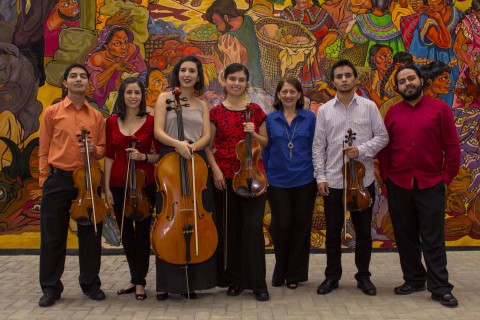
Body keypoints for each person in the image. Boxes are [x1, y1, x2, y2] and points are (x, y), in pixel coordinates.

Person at [378, 65, 460, 307]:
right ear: (397, 88)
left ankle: (440, 287)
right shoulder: (392, 113)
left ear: (420, 80)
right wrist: (387, 181)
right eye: (402, 81)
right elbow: (385, 151)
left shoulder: (440, 110)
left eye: (411, 78)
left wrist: (445, 179)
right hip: (399, 184)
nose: (407, 84)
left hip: (431, 183)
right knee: (404, 237)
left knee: (433, 238)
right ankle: (414, 279)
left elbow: (453, 149)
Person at [312, 59, 388, 296]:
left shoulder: (369, 106)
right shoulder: (324, 111)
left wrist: (362, 150)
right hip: (334, 181)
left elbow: (383, 137)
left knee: (364, 233)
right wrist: (320, 177)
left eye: (347, 75)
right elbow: (318, 147)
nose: (343, 79)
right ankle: (332, 276)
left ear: (355, 78)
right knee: (333, 232)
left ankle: (363, 276)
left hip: (362, 183)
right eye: (339, 76)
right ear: (333, 81)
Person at [38, 63, 106, 307]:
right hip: (59, 179)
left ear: (88, 83)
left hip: (88, 180)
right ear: (65, 83)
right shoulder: (52, 112)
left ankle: (91, 284)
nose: (79, 80)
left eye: (83, 76)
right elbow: (43, 149)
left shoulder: (96, 116)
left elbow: (102, 150)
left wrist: (94, 149)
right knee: (53, 236)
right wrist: (45, 179)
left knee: (90, 235)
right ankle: (50, 287)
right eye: (73, 76)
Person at [153, 55, 216, 300]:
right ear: (177, 74)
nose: (187, 74)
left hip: (194, 158)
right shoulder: (164, 98)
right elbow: (158, 131)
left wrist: (192, 147)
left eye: (192, 71)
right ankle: (164, 284)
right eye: (183, 70)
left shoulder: (202, 105)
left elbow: (206, 135)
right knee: (168, 221)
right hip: (170, 158)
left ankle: (192, 282)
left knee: (196, 218)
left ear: (198, 76)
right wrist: (178, 144)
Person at [205, 63, 269, 301]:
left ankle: (258, 283)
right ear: (224, 81)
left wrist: (255, 133)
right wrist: (216, 172)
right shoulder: (215, 113)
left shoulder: (255, 110)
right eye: (232, 79)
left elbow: (265, 142)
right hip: (227, 179)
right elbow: (209, 146)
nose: (236, 83)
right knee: (230, 231)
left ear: (246, 83)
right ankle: (236, 281)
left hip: (253, 178)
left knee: (252, 229)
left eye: (241, 80)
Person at [104, 77, 160, 301]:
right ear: (122, 96)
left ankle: (140, 282)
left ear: (142, 95)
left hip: (145, 183)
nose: (133, 96)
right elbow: (109, 155)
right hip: (118, 183)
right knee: (126, 233)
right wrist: (106, 187)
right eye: (129, 93)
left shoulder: (151, 121)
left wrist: (144, 156)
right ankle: (134, 277)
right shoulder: (111, 122)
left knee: (143, 233)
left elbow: (159, 154)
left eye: (137, 92)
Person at [262, 76, 317, 289]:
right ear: (278, 94)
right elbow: (266, 152)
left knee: (301, 228)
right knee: (281, 226)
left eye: (292, 92)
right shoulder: (270, 119)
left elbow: (316, 146)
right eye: (284, 91)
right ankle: (280, 269)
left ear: (299, 94)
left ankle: (294, 274)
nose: (288, 95)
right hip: (278, 182)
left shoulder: (309, 118)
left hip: (305, 179)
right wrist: (270, 173)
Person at [85, 25, 147, 106]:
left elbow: (144, 73)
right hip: (110, 99)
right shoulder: (98, 58)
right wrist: (113, 67)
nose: (124, 47)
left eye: (125, 41)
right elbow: (94, 85)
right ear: (106, 45)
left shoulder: (131, 50)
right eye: (117, 43)